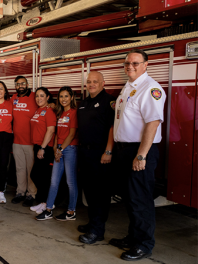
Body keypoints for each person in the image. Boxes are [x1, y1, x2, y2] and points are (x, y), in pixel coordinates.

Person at [109, 49, 165, 261]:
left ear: (145, 64)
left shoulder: (150, 88)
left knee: (141, 199)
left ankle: (143, 244)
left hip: (139, 151)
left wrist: (141, 155)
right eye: (127, 63)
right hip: (125, 150)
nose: (130, 66)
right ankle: (133, 237)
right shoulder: (129, 87)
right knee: (130, 198)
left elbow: (152, 122)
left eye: (135, 63)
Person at [76, 71, 115, 244]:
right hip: (84, 153)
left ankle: (97, 231)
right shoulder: (84, 103)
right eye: (89, 82)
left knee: (100, 193)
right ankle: (93, 223)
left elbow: (113, 128)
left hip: (100, 154)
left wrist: (108, 151)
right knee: (90, 192)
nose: (91, 84)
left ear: (103, 83)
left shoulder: (109, 102)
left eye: (95, 82)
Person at [36, 86, 78, 221]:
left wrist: (60, 149)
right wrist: (55, 148)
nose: (63, 99)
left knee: (70, 182)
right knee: (54, 181)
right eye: (61, 96)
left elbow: (71, 135)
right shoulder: (60, 113)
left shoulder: (74, 113)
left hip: (70, 148)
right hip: (59, 149)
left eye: (66, 96)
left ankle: (71, 212)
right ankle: (48, 210)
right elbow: (56, 133)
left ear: (71, 97)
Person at [28, 87, 56, 216]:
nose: (39, 98)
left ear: (48, 97)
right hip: (37, 146)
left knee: (39, 176)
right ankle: (44, 202)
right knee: (38, 175)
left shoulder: (49, 111)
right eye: (37, 96)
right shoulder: (39, 110)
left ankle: (47, 203)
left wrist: (43, 148)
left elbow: (50, 131)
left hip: (45, 148)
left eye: (42, 96)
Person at [11, 76, 38, 207]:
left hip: (31, 141)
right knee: (20, 168)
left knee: (30, 169)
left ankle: (31, 194)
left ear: (27, 84)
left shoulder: (34, 96)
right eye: (18, 84)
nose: (20, 86)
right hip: (17, 141)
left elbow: (46, 105)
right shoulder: (13, 98)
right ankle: (20, 192)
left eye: (23, 83)